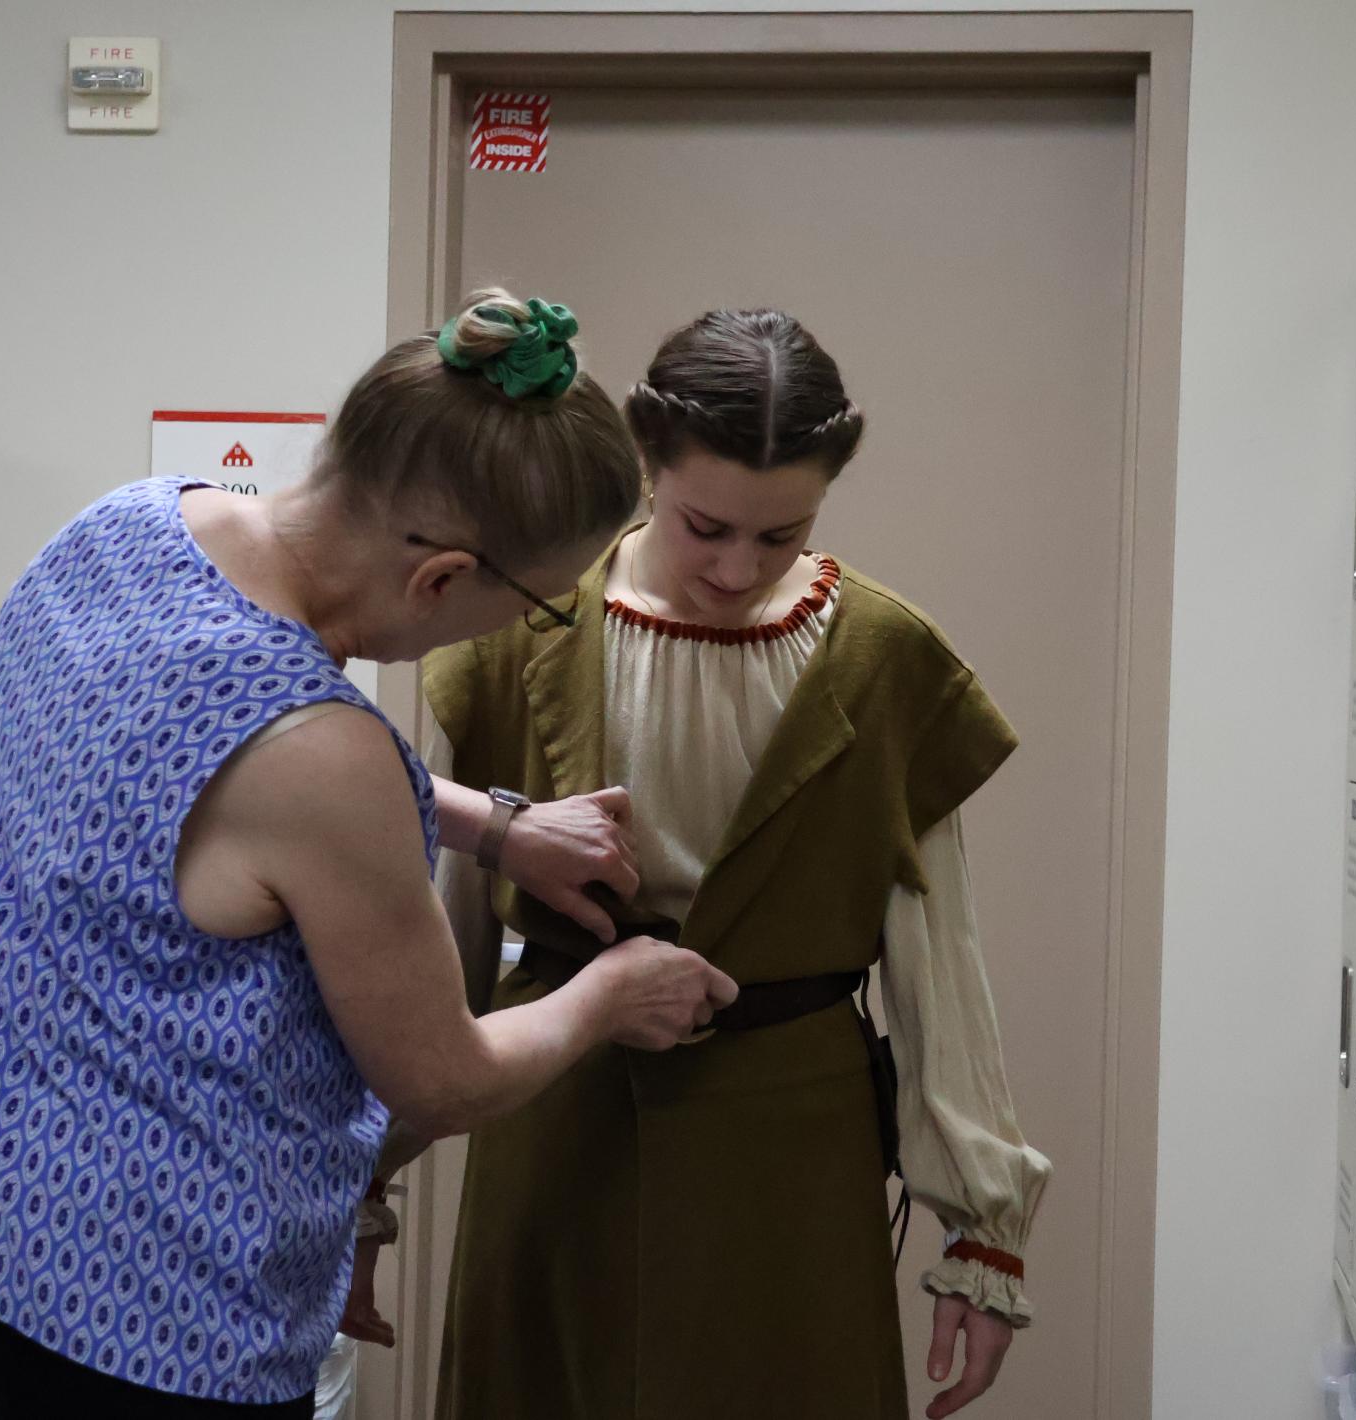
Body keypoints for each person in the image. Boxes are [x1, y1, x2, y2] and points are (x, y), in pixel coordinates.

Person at [0, 290, 738, 1418]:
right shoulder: (324, 758)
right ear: (441, 579)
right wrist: (609, 994)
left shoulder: (124, 526)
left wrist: (496, 827)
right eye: (535, 607)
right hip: (147, 1325)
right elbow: (442, 1074)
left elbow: (226, 781)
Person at [391, 308, 1053, 1420]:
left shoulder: (883, 657)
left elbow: (939, 960)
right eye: (706, 526)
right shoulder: (521, 627)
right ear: (645, 464)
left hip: (790, 1153)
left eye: (780, 536)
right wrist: (370, 1178)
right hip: (560, 1126)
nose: (737, 567)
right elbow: (443, 942)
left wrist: (983, 1236)